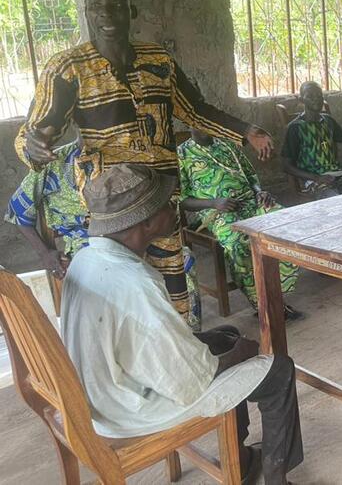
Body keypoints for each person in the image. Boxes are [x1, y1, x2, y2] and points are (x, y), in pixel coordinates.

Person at [15, 0, 273, 327]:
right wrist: (34, 142)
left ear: (130, 11)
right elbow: (37, 131)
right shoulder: (68, 69)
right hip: (113, 210)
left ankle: (182, 357)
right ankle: (136, 372)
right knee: (123, 297)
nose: (107, 14)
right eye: (97, 7)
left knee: (173, 289)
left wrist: (246, 131)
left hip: (162, 200)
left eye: (116, 6)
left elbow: (194, 110)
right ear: (87, 12)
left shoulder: (158, 61)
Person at [61, 165, 303, 484]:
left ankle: (241, 458)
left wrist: (215, 345)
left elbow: (139, 340)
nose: (175, 208)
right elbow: (190, 380)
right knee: (278, 369)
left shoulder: (86, 260)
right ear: (145, 221)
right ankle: (276, 478)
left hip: (102, 390)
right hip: (129, 410)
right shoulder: (136, 284)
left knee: (221, 339)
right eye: (166, 203)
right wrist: (241, 353)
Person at [178, 130, 302, 320]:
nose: (204, 127)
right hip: (217, 212)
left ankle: (277, 295)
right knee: (238, 244)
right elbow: (182, 200)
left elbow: (251, 177)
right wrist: (214, 203)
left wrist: (260, 192)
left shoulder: (227, 144)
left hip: (250, 202)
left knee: (286, 223)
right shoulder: (182, 154)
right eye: (198, 122)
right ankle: (263, 305)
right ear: (190, 124)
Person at [5, 135, 87, 280]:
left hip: (129, 238)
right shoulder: (53, 164)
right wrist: (45, 253)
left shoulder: (127, 156)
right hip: (87, 245)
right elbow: (17, 209)